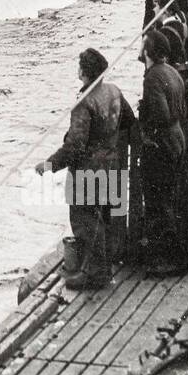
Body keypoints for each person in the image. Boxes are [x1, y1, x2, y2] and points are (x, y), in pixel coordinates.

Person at [35, 48, 135, 290]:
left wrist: (49, 165)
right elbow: (130, 122)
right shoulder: (114, 91)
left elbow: (75, 145)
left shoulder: (84, 102)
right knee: (106, 218)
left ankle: (95, 274)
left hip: (87, 172)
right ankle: (105, 265)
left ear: (84, 73)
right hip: (111, 165)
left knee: (85, 221)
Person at [138, 31, 188, 277]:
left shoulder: (152, 77)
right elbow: (181, 107)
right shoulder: (171, 71)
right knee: (168, 198)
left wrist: (146, 125)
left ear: (148, 51)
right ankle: (174, 256)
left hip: (161, 144)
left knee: (158, 203)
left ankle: (168, 259)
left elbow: (161, 114)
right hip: (176, 138)